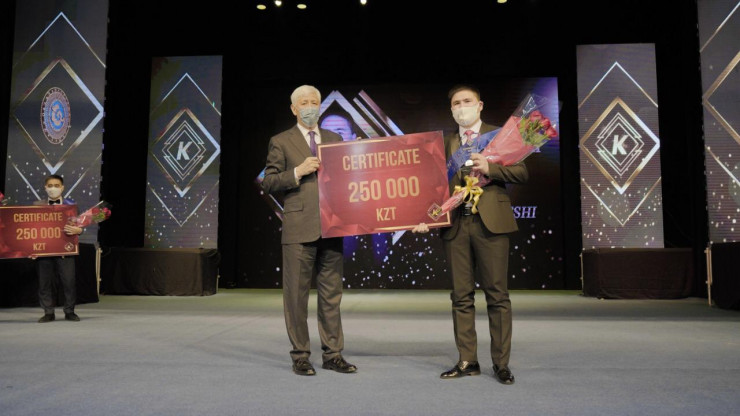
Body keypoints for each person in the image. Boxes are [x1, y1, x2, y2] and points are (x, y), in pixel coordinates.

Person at [414, 85, 528, 384]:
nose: (461, 106)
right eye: (456, 103)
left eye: (467, 101)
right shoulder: (442, 143)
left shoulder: (500, 135)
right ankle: (468, 360)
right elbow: (429, 187)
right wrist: (425, 218)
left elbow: (521, 173)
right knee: (461, 297)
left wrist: (490, 167)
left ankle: (501, 364)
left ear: (480, 105)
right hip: (456, 225)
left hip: (491, 224)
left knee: (497, 296)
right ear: (451, 110)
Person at [261, 85, 357, 376]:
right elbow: (269, 182)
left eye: (314, 102)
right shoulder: (281, 141)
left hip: (332, 227)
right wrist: (297, 171)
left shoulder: (334, 139)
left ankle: (333, 354)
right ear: (294, 109)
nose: (310, 107)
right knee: (296, 297)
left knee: (331, 296)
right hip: (298, 228)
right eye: (304, 103)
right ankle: (300, 355)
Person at [33, 174, 83, 323]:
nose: (53, 188)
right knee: (44, 283)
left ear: (62, 188)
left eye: (56, 185)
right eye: (50, 186)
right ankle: (48, 312)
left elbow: (80, 226)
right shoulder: (36, 205)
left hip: (66, 250)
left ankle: (70, 311)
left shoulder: (72, 206)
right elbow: (30, 228)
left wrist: (79, 230)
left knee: (69, 282)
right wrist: (30, 248)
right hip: (43, 251)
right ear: (45, 188)